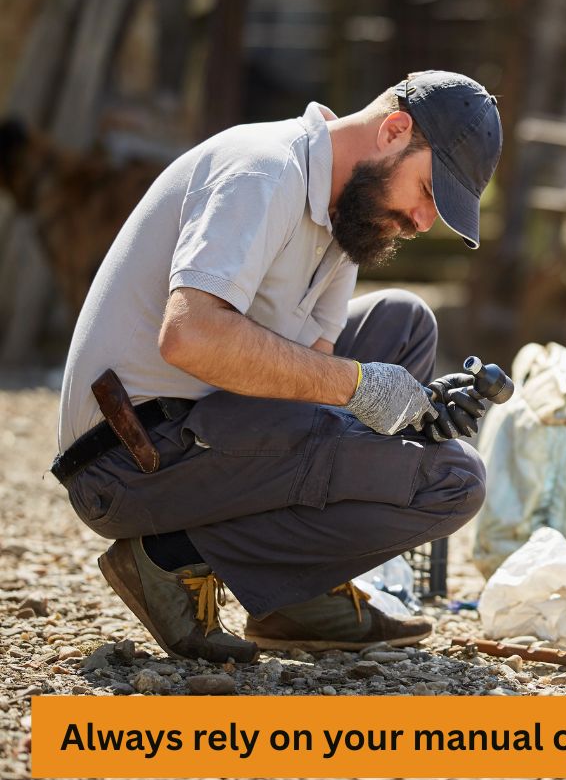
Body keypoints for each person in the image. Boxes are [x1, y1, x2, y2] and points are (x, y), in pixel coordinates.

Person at [50, 71, 503, 663]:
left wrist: (417, 409)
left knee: (404, 321)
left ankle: (293, 599)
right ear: (394, 131)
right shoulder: (263, 169)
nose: (423, 221)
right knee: (453, 482)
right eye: (427, 192)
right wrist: (365, 388)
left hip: (207, 429)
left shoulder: (344, 218)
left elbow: (312, 382)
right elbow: (190, 336)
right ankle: (166, 555)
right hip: (128, 460)